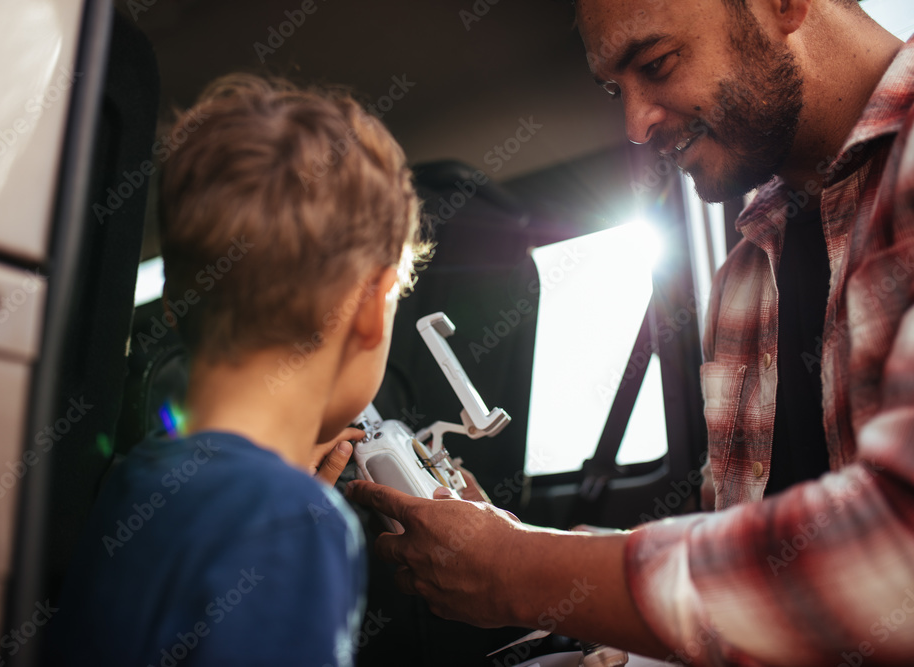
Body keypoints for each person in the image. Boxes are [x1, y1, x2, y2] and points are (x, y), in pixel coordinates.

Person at [348, 0, 914, 664]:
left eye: (658, 63)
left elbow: (896, 554)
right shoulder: (745, 278)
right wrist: (513, 540)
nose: (637, 124)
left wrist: (520, 567)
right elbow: (736, 554)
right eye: (618, 89)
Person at [49, 74, 429, 666]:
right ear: (372, 306)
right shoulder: (295, 529)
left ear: (172, 299)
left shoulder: (135, 478)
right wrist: (285, 509)